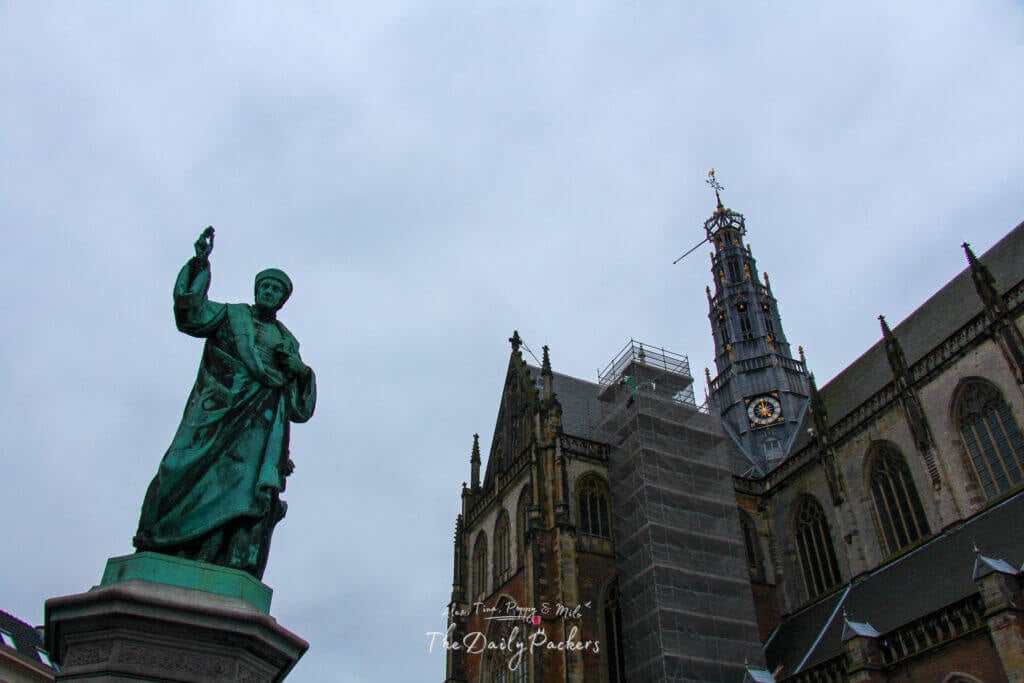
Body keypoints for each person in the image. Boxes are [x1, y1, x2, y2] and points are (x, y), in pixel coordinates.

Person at [134, 227, 316, 580]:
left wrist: (300, 371)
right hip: (214, 410)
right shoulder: (232, 315)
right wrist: (199, 264)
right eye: (265, 286)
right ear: (256, 289)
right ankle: (158, 540)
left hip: (256, 429)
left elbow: (298, 406)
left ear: (282, 301)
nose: (269, 292)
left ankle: (216, 556)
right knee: (177, 468)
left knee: (244, 497)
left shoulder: (287, 340)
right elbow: (191, 315)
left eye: (276, 290)